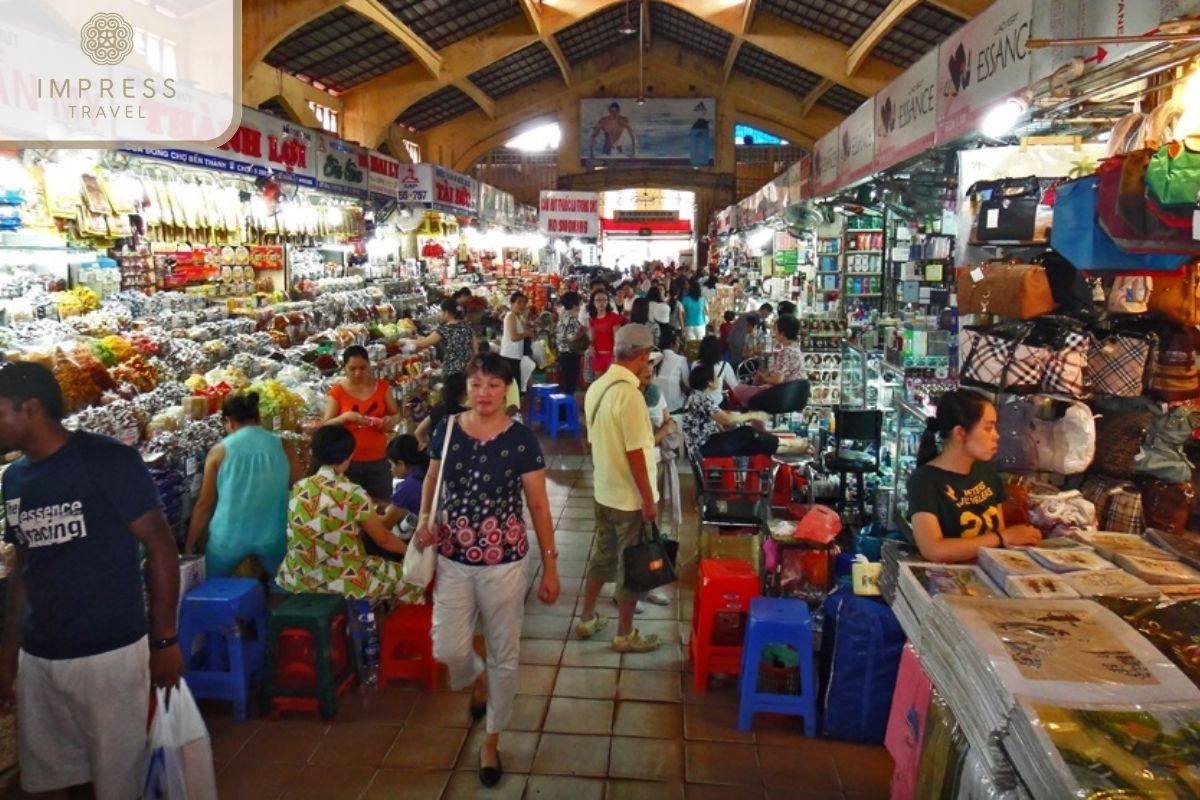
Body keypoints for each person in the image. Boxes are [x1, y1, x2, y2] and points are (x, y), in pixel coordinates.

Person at [0, 362, 183, 799]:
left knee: (119, 779)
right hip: (42, 655)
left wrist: (164, 640)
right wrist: (10, 655)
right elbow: (24, 569)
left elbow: (160, 546)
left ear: (31, 408)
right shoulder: (14, 479)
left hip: (109, 653)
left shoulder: (106, 459)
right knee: (57, 776)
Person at [411, 354, 559, 788]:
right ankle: (478, 680)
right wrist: (424, 520)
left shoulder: (520, 440)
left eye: (494, 385)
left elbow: (538, 504)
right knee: (449, 648)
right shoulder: (449, 429)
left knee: (504, 654)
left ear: (507, 390)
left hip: (505, 563)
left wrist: (551, 566)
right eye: (477, 384)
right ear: (467, 388)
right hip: (454, 557)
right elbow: (432, 478)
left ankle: (491, 740)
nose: (485, 393)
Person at [577, 324, 663, 653]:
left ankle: (587, 617)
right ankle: (625, 633)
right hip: (629, 499)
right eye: (648, 358)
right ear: (641, 356)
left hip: (604, 492)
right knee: (632, 567)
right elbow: (636, 454)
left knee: (603, 556)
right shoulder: (630, 397)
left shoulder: (598, 387)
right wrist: (648, 498)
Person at [276, 425, 415, 598]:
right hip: (342, 580)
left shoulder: (299, 487)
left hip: (296, 576)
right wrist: (412, 553)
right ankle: (379, 622)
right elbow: (383, 539)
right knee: (412, 579)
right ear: (350, 454)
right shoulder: (352, 493)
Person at [908, 389, 1042, 562]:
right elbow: (933, 549)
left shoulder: (986, 470)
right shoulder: (924, 482)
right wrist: (1003, 537)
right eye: (988, 428)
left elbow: (998, 532)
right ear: (959, 433)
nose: (997, 436)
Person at [186, 392, 297, 580]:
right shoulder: (284, 445)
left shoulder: (219, 451)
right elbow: (298, 488)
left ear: (229, 421)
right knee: (283, 588)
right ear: (258, 418)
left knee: (213, 587)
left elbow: (205, 504)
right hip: (274, 535)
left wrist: (189, 544)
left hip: (228, 538)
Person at [682, 364, 810, 458]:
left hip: (706, 443)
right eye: (716, 377)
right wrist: (753, 415)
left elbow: (716, 420)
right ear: (709, 382)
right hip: (703, 447)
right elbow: (725, 419)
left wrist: (727, 430)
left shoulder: (698, 396)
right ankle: (791, 443)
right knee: (748, 433)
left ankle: (796, 449)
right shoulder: (700, 398)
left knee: (752, 444)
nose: (718, 379)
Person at [323, 345, 400, 503]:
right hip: (348, 462)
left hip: (378, 458)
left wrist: (389, 422)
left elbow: (396, 413)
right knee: (351, 507)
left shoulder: (382, 387)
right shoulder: (337, 392)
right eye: (352, 369)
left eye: (362, 368)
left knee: (381, 504)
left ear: (369, 365)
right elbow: (325, 426)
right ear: (344, 368)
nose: (358, 373)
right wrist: (345, 417)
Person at [731, 315, 807, 407]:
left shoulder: (785, 352)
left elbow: (777, 380)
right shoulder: (797, 350)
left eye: (775, 329)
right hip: (795, 394)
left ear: (782, 333)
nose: (774, 333)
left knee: (738, 390)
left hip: (782, 394)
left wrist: (764, 378)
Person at [398, 298, 476, 378]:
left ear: (446, 313)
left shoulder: (445, 329)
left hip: (451, 373)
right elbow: (476, 351)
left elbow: (424, 343)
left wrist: (405, 340)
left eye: (441, 311)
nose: (440, 314)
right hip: (466, 372)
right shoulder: (467, 326)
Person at [385, 434, 427, 518]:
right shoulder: (425, 471)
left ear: (401, 464)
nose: (391, 469)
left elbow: (385, 523)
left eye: (391, 464)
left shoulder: (409, 486)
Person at [555, 292, 586, 395]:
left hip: (562, 353)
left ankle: (564, 407)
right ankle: (566, 408)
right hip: (570, 354)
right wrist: (583, 332)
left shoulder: (562, 317)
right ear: (574, 304)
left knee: (567, 383)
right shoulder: (572, 319)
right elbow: (571, 338)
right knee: (570, 384)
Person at [500, 292, 531, 395]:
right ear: (512, 304)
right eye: (519, 302)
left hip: (516, 356)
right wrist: (527, 333)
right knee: (513, 388)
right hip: (509, 356)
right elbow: (514, 337)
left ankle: (515, 408)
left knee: (515, 387)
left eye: (524, 303)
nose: (522, 305)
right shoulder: (511, 316)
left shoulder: (518, 317)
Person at [653, 327, 689, 413]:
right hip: (674, 407)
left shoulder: (653, 357)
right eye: (677, 342)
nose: (679, 344)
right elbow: (688, 383)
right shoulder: (680, 359)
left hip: (655, 408)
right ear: (672, 344)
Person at [695, 334, 738, 407]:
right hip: (717, 405)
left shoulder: (695, 364)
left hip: (699, 403)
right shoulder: (724, 365)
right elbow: (735, 387)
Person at [587, 289, 622, 378]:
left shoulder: (614, 317)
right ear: (593, 302)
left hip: (611, 355)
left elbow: (617, 338)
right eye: (598, 300)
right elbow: (593, 338)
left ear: (608, 302)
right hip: (597, 355)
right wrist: (590, 346)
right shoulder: (592, 319)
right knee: (598, 382)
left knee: (610, 381)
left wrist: (614, 356)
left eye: (604, 300)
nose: (601, 303)